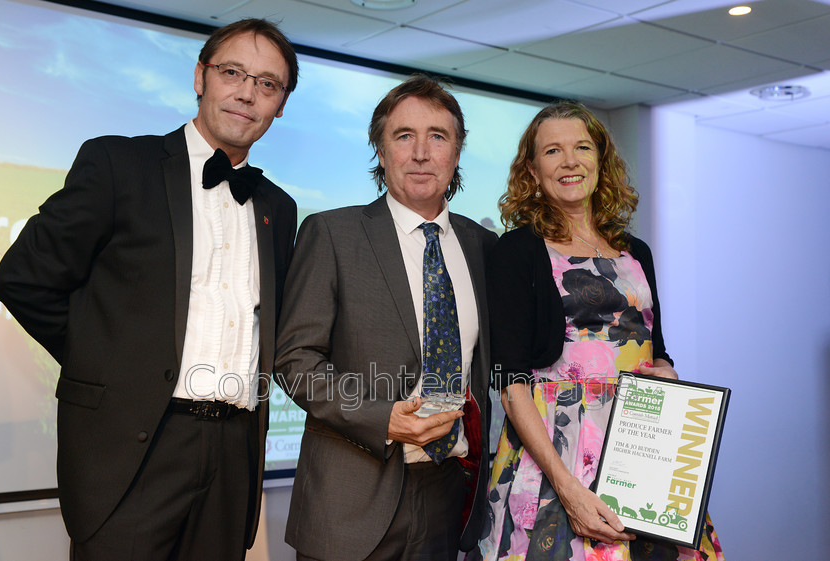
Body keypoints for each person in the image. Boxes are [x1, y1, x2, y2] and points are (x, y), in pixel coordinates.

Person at [0, 18, 298, 561]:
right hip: (135, 448)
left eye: (268, 84)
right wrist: (109, 361)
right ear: (201, 77)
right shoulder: (118, 165)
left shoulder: (279, 207)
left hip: (234, 453)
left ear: (280, 105)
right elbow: (22, 278)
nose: (247, 93)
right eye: (233, 72)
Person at [477, 102, 725, 560]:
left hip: (644, 445)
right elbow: (511, 384)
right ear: (532, 171)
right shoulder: (516, 251)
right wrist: (567, 489)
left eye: (582, 147)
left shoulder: (637, 251)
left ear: (600, 159)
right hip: (557, 452)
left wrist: (666, 373)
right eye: (553, 151)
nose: (569, 161)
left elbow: (659, 347)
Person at [275, 74, 497, 561]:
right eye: (404, 136)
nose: (421, 153)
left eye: (437, 136)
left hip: (448, 492)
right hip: (350, 500)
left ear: (456, 154)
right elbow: (295, 361)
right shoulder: (332, 233)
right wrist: (384, 420)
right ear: (380, 149)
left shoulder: (483, 248)